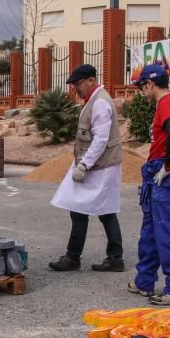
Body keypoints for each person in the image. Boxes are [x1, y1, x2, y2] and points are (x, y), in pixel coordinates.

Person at [48, 64, 124, 273]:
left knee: (96, 211)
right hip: (99, 166)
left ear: (91, 80)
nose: (76, 89)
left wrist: (84, 164)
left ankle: (82, 257)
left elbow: (100, 140)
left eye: (78, 84)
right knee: (93, 210)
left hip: (100, 167)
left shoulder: (99, 103)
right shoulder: (95, 100)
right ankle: (110, 257)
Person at [129, 64, 170, 305]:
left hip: (168, 174)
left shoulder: (167, 102)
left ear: (149, 84)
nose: (142, 93)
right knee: (150, 231)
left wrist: (168, 165)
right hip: (158, 172)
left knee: (167, 232)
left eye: (142, 88)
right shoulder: (167, 103)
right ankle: (144, 281)